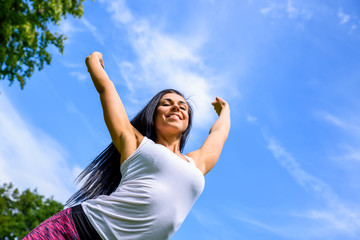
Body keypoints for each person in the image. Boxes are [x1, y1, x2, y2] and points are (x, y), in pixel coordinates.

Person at [23, 52, 230, 240]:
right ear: (153, 118)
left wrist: (225, 111)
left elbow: (218, 134)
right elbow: (106, 89)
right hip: (76, 230)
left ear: (187, 122)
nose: (176, 106)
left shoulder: (196, 164)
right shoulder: (135, 142)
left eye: (183, 106)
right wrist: (92, 61)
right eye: (166, 103)